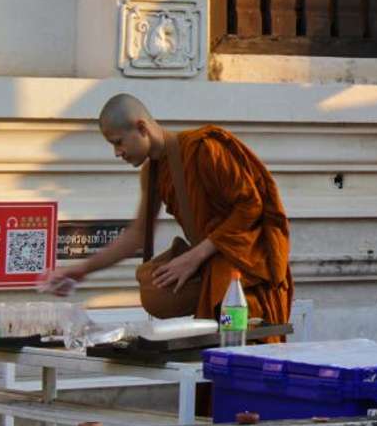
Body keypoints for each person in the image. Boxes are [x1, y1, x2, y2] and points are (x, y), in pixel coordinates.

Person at [42, 94, 293, 339]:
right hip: (214, 277)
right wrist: (80, 269)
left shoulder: (205, 149)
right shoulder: (152, 172)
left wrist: (195, 256)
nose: (117, 153)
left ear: (141, 128)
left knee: (246, 365)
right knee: (215, 368)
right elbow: (138, 235)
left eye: (118, 142)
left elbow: (251, 207)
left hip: (245, 278)